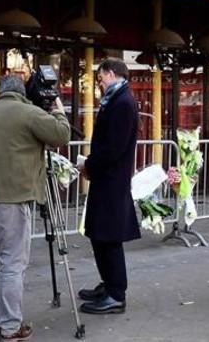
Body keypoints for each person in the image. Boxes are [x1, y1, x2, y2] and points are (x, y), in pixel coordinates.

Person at [0, 74, 71, 341]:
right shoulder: (28, 113)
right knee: (12, 263)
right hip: (11, 197)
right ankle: (11, 326)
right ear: (21, 91)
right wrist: (58, 110)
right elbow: (61, 135)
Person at [77, 58, 141, 315]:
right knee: (100, 235)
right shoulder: (116, 100)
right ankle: (109, 284)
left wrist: (89, 165)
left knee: (109, 238)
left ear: (112, 73)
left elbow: (113, 147)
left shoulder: (122, 103)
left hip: (111, 182)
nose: (99, 81)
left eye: (101, 76)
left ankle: (116, 294)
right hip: (107, 179)